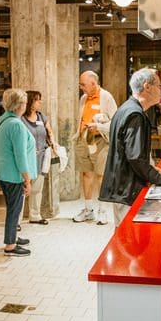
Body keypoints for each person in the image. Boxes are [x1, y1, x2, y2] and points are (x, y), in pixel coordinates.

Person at [99, 68, 161, 225]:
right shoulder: (135, 114)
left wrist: (152, 169)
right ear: (147, 87)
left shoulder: (126, 108)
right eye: (158, 86)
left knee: (123, 235)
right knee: (128, 240)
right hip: (127, 189)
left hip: (122, 186)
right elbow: (135, 157)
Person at [0, 88, 37, 257]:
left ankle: (13, 237)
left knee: (13, 207)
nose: (26, 105)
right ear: (20, 105)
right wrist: (27, 179)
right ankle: (10, 245)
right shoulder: (16, 125)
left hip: (2, 170)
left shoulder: (2, 120)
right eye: (25, 102)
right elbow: (20, 155)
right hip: (13, 174)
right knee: (14, 209)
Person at [72, 70, 118, 225]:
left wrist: (98, 125)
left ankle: (102, 210)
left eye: (83, 84)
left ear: (93, 83)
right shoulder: (83, 98)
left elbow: (115, 121)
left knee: (101, 175)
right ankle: (88, 210)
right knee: (86, 174)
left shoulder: (106, 97)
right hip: (84, 139)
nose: (81, 87)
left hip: (100, 141)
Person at [20, 90, 55, 225]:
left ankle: (35, 215)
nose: (40, 102)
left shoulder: (41, 117)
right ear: (30, 101)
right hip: (26, 157)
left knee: (37, 188)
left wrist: (53, 142)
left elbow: (49, 131)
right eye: (37, 100)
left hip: (41, 156)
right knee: (23, 188)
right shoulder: (21, 119)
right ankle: (17, 219)